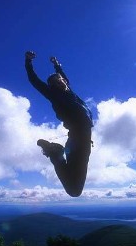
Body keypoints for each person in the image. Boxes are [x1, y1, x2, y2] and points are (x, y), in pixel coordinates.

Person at [25, 51, 93, 197]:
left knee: (74, 189)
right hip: (77, 140)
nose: (59, 82)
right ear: (52, 87)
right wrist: (28, 62)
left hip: (82, 141)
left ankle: (55, 152)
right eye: (54, 83)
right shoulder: (55, 95)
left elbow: (63, 76)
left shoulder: (71, 93)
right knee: (74, 191)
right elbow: (34, 81)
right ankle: (54, 153)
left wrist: (56, 65)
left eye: (60, 80)